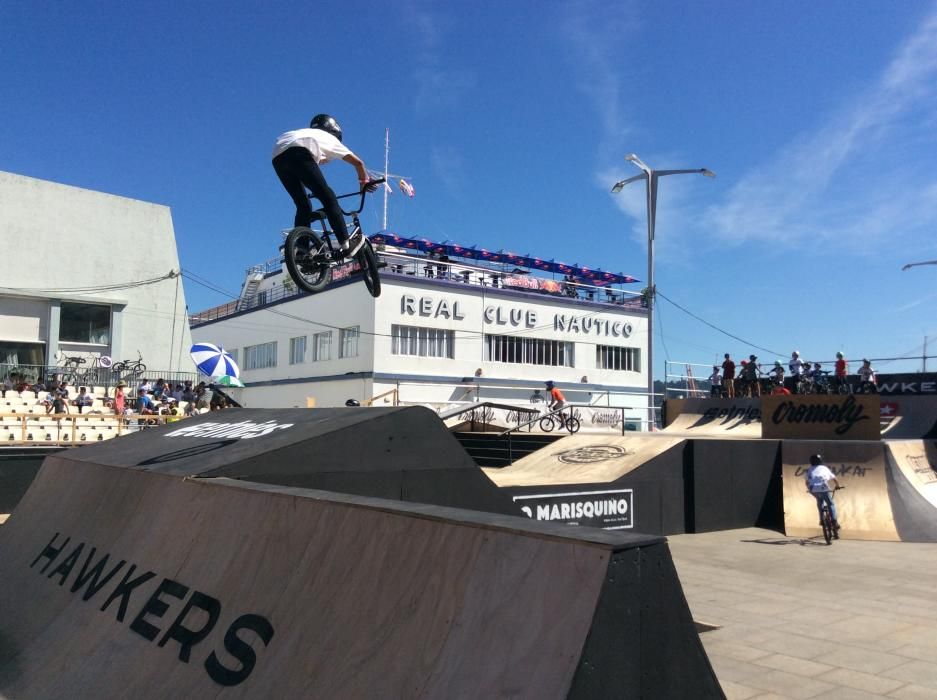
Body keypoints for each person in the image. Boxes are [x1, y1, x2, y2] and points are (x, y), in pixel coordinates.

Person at [272, 114, 378, 259]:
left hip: (277, 156)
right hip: (298, 152)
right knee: (328, 196)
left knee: (303, 205)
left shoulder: (307, 135)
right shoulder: (330, 139)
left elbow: (304, 168)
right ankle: (346, 244)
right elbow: (359, 163)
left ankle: (301, 250)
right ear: (334, 131)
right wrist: (363, 183)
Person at [804, 454, 840, 535]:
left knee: (819, 502)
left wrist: (810, 489)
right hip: (824, 488)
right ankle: (834, 521)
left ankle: (822, 520)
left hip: (814, 489)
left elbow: (806, 482)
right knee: (830, 504)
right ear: (820, 461)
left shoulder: (809, 470)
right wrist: (837, 486)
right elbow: (834, 478)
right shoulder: (824, 468)